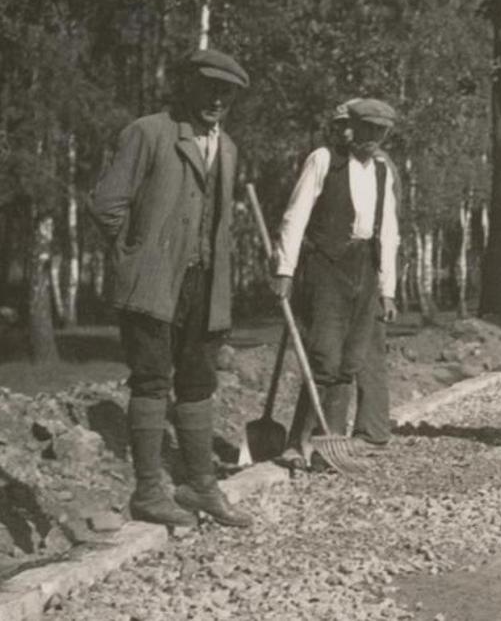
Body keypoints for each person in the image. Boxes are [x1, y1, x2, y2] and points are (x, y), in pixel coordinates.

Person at [90, 49, 254, 528]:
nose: (218, 99)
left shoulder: (227, 148)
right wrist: (139, 253)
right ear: (187, 85)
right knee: (151, 378)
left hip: (205, 283)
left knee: (199, 380)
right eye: (209, 86)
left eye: (228, 92)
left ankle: (200, 485)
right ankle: (148, 492)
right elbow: (106, 205)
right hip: (154, 282)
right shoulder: (149, 132)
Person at [272, 98, 402, 460]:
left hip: (365, 268)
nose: (372, 138)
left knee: (350, 361)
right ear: (352, 127)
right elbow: (295, 216)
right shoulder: (324, 160)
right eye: (367, 129)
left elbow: (388, 231)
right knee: (324, 358)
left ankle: (330, 444)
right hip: (326, 267)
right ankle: (300, 443)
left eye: (381, 132)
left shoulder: (382, 171)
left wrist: (388, 290)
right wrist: (284, 269)